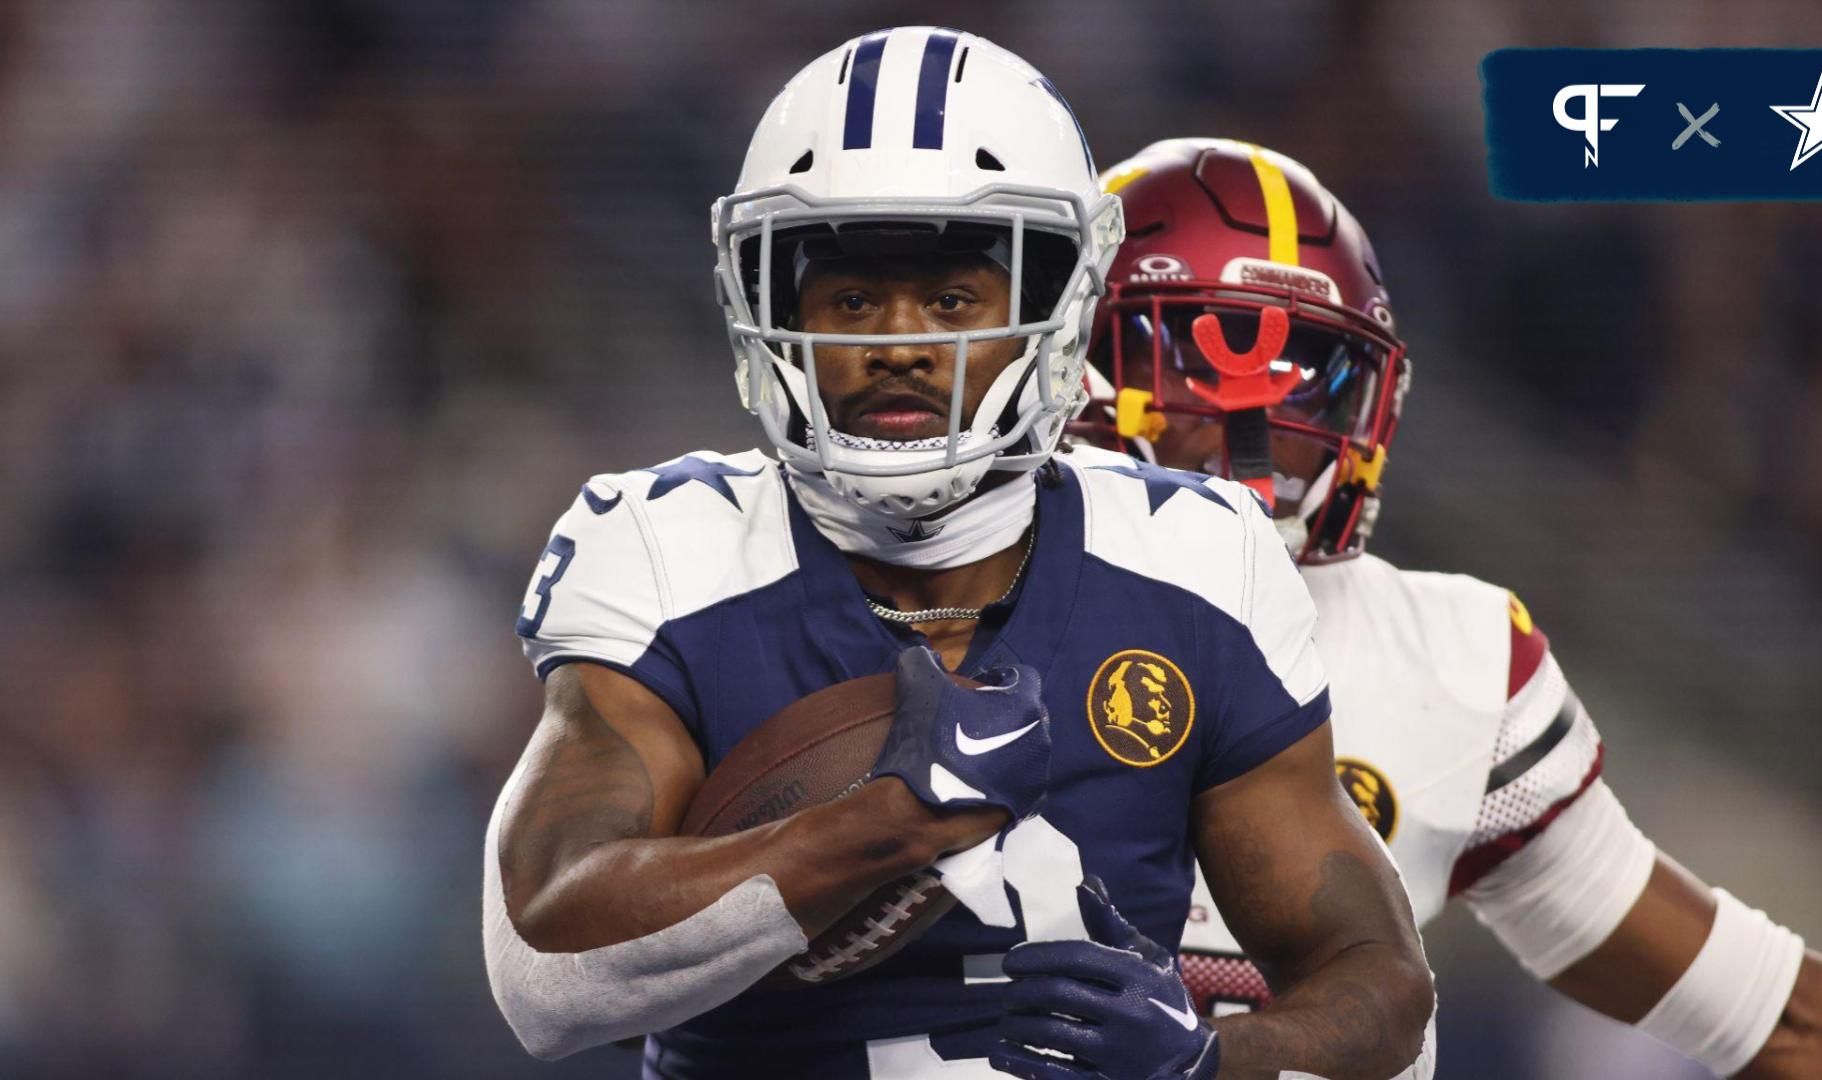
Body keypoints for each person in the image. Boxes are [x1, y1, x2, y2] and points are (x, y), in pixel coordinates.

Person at [482, 32, 1435, 1080]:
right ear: (765, 303)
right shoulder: (667, 545)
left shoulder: (1197, 556)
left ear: (1057, 309)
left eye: (950, 299)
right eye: (849, 299)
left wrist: (1210, 1061)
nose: (898, 342)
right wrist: (880, 826)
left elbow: (1379, 983)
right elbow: (542, 979)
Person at [1079, 136, 1822, 1079]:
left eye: (1311, 370)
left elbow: (1771, 1011)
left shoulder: (1446, 665)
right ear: (1071, 363)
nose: (1262, 427)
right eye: (1208, 354)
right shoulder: (931, 606)